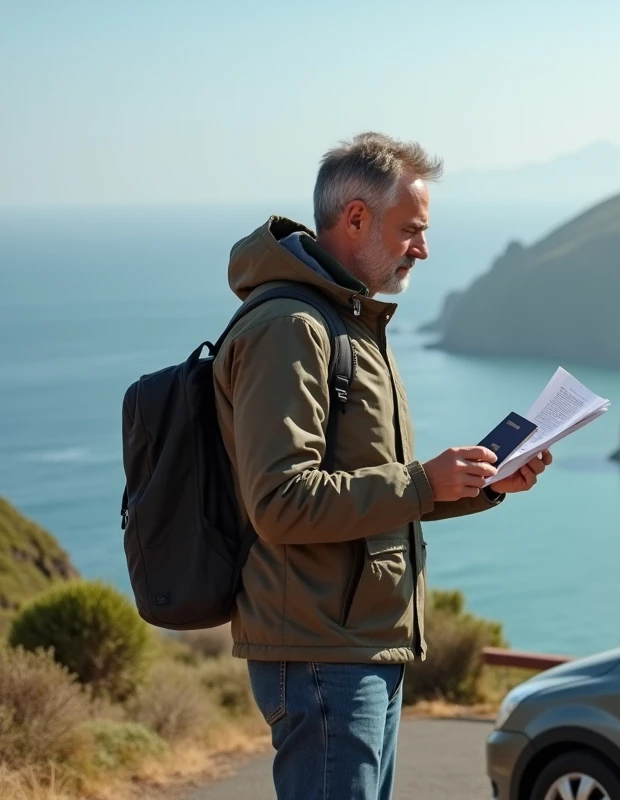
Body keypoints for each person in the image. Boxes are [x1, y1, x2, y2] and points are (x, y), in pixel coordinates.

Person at [211, 132, 552, 799]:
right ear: (356, 217)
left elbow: (380, 492)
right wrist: (424, 480)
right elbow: (281, 501)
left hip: (358, 645)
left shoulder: (351, 327)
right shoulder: (293, 329)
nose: (422, 249)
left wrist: (480, 485)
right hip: (322, 652)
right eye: (411, 231)